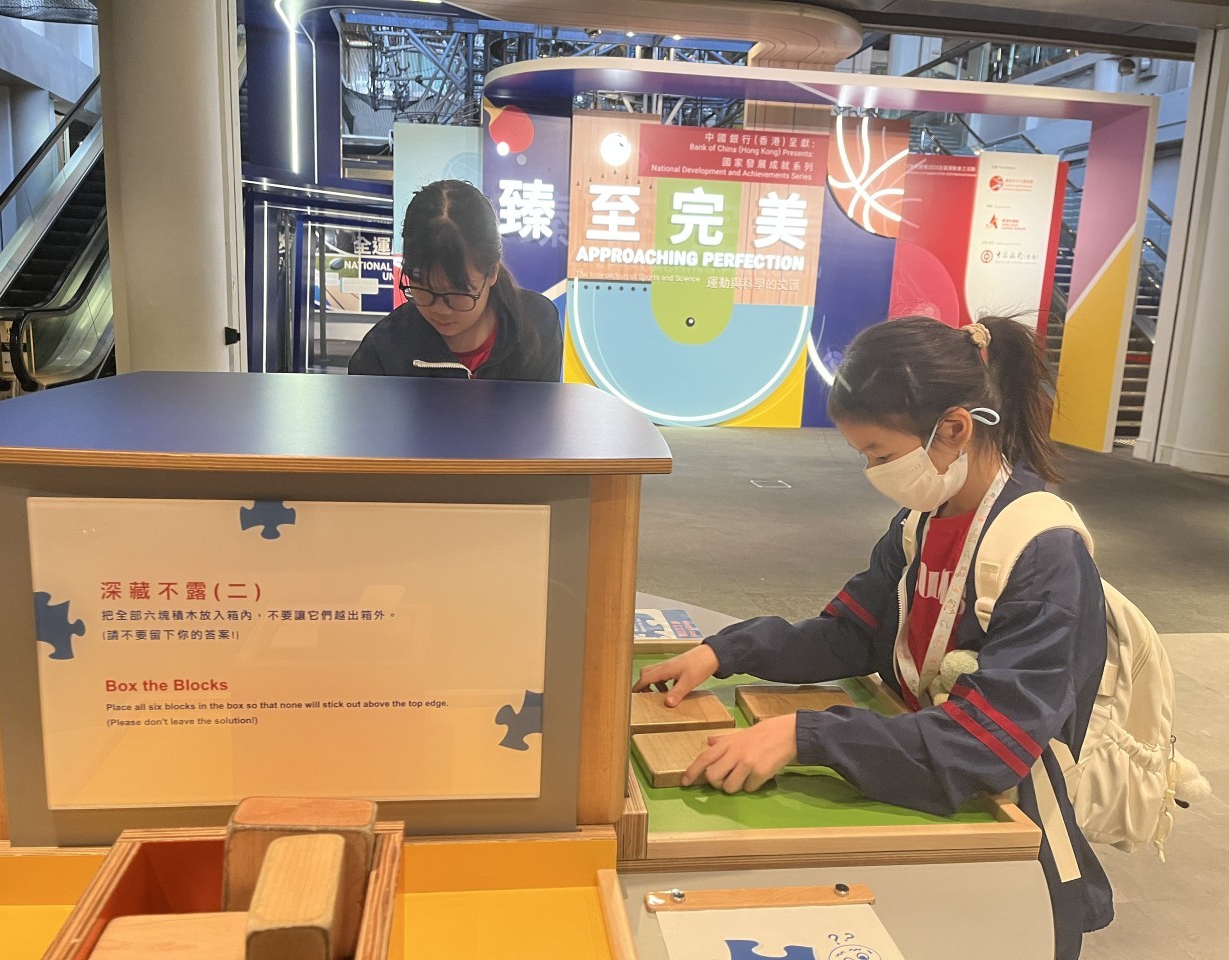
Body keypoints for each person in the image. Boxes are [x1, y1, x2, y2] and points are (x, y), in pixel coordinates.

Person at [634, 316, 1112, 960]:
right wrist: (727, 650)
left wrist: (807, 735)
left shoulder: (1044, 554)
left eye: (882, 455)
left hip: (1008, 830)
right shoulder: (920, 522)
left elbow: (989, 744)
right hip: (909, 783)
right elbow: (850, 634)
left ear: (954, 429)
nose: (874, 472)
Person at [347, 180, 562, 381]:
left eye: (457, 292)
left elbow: (542, 409)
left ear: (492, 272)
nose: (440, 310)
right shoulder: (382, 351)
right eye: (425, 289)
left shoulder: (538, 325)